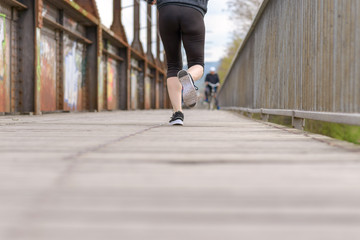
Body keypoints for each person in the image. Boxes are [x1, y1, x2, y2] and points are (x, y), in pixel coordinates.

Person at [147, 0, 209, 125]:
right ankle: (189, 78)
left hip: (167, 11)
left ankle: (177, 114)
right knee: (197, 63)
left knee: (173, 65)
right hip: (193, 12)